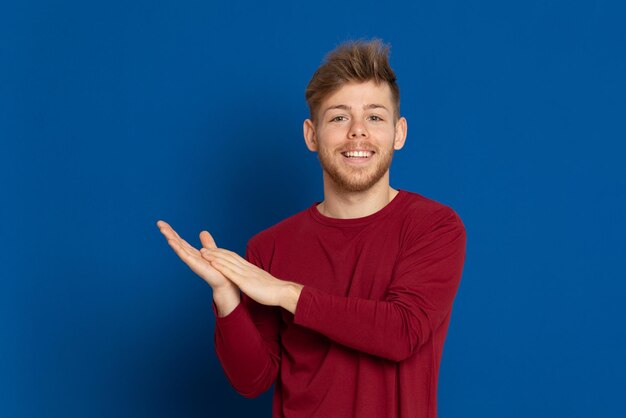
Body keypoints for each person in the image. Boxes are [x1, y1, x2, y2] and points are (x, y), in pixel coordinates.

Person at [157, 39, 466, 418]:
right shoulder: (269, 247)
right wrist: (227, 297)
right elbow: (252, 380)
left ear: (399, 133)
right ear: (311, 135)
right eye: (338, 117)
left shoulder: (434, 227)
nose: (357, 132)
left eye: (374, 117)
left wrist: (287, 293)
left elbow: (402, 332)